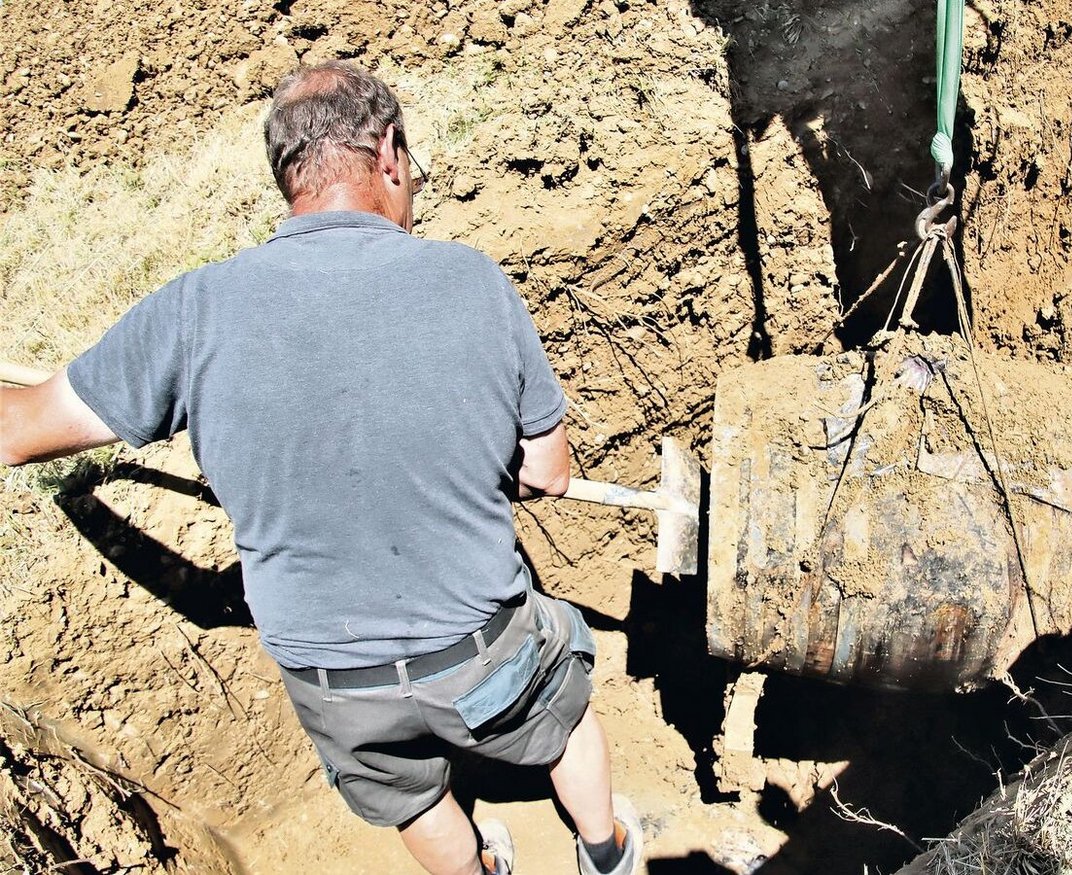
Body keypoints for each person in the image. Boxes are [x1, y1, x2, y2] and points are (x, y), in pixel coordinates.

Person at [0, 61, 642, 875]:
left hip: (333, 682)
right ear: (390, 154)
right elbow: (549, 472)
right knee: (564, 708)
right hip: (479, 653)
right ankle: (605, 853)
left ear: (287, 174)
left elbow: (16, 434)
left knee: (410, 795)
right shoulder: (470, 281)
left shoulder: (196, 309)